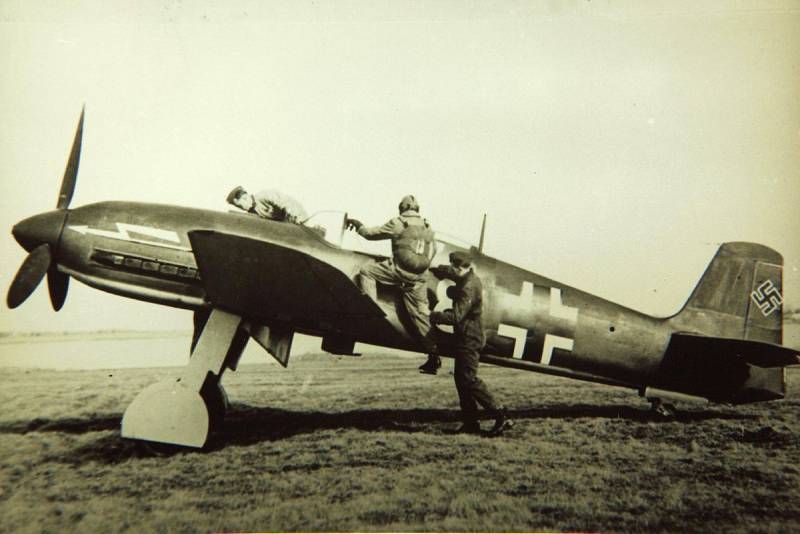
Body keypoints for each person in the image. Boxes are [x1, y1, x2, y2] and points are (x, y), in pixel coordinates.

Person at [346, 195, 441, 374]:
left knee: (367, 271)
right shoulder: (428, 227)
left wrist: (358, 225)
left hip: (399, 273)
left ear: (402, 208)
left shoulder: (398, 223)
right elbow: (433, 250)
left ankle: (371, 312)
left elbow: (369, 234)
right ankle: (433, 354)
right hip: (419, 279)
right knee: (421, 317)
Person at [430, 251, 512, 436]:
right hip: (465, 337)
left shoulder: (469, 286)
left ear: (459, 267)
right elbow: (450, 272)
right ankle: (470, 424)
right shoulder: (468, 276)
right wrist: (436, 268)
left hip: (470, 338)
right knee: (461, 380)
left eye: (452, 266)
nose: (450, 269)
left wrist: (434, 316)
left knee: (468, 380)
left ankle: (501, 414)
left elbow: (457, 317)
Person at [226, 186, 308, 223]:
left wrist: (296, 216)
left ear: (245, 198)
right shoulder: (253, 212)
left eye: (240, 206)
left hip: (299, 219)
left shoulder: (264, 196)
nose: (242, 209)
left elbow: (286, 203)